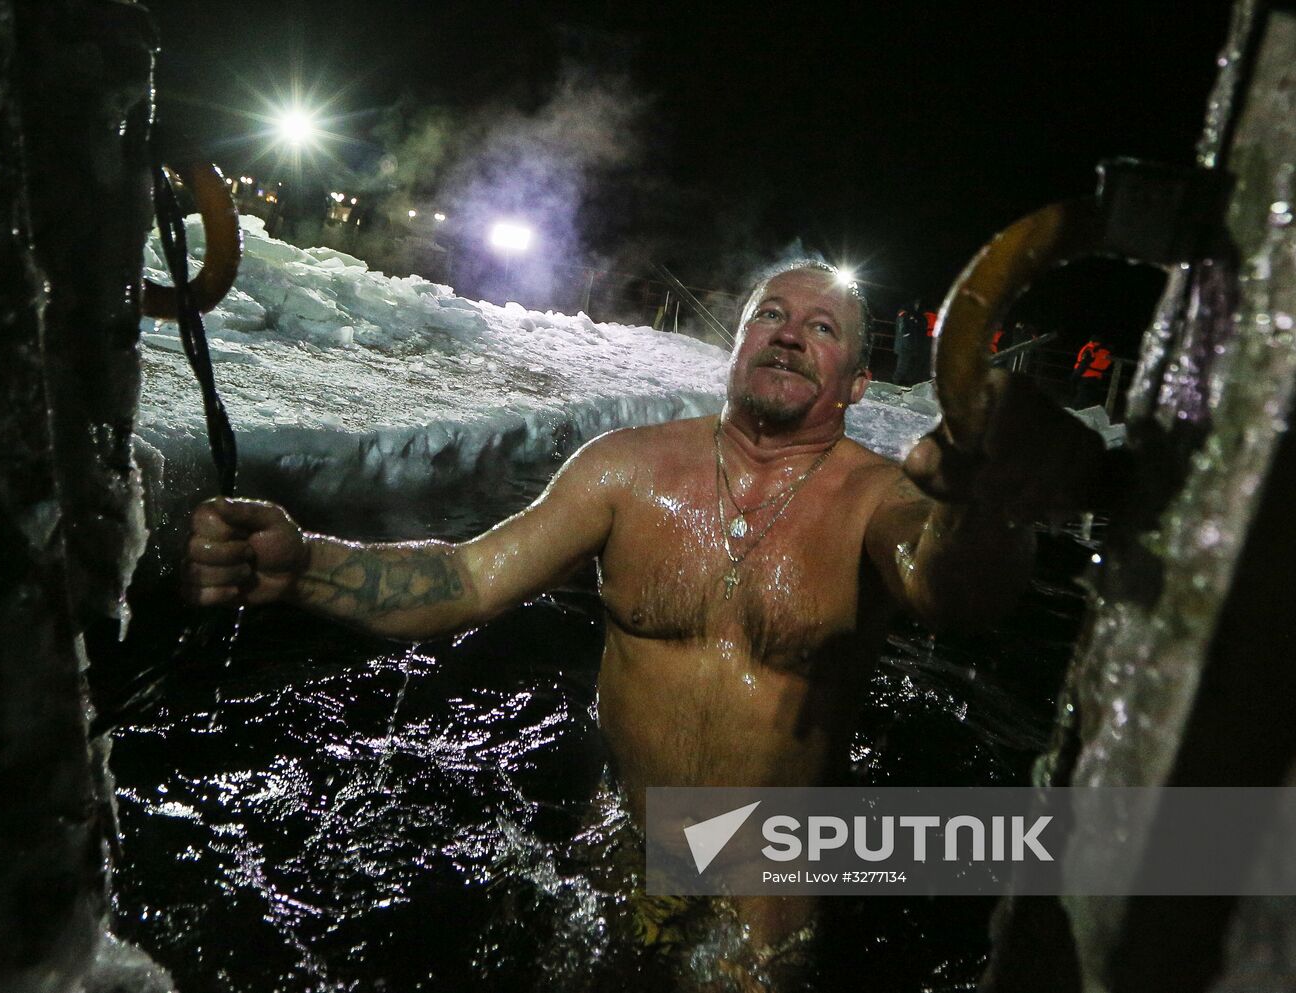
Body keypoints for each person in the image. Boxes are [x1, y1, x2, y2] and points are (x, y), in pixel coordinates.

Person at [182, 260, 1102, 981]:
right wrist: (306, 564)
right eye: (770, 318)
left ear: (859, 381)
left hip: (768, 879)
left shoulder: (878, 498)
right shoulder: (624, 468)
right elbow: (466, 576)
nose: (788, 336)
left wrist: (987, 506)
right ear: (737, 345)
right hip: (622, 843)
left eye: (821, 329)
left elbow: (958, 593)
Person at [892, 298, 931, 386]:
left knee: (907, 367)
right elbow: (905, 331)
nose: (917, 307)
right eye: (916, 305)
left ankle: (902, 384)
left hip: (908, 346)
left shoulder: (910, 315)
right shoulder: (904, 315)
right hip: (905, 346)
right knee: (901, 367)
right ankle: (895, 384)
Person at [1069, 337, 1114, 410]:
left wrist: (1074, 377)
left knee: (1080, 400)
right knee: (1089, 399)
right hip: (1097, 378)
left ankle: (1076, 413)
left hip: (1085, 376)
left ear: (1091, 341)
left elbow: (1083, 364)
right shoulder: (1106, 351)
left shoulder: (1090, 349)